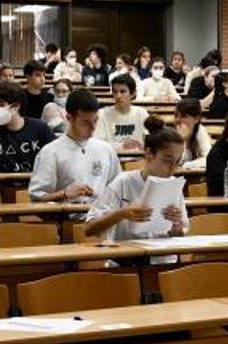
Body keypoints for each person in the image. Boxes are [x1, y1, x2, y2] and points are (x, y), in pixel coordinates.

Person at [84, 116, 189, 246]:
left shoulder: (173, 185)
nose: (172, 168)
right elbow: (89, 229)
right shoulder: (123, 182)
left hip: (164, 258)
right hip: (126, 258)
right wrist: (121, 214)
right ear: (149, 153)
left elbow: (179, 235)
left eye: (177, 162)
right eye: (167, 160)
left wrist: (176, 225)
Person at [29, 89, 120, 206]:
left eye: (95, 120)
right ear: (69, 118)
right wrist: (64, 194)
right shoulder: (50, 152)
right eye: (85, 123)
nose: (92, 127)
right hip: (68, 220)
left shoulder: (106, 149)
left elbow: (118, 190)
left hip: (102, 218)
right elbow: (36, 199)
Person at [96, 74, 150, 151]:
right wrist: (122, 146)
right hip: (112, 159)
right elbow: (98, 144)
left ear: (133, 93)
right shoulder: (102, 114)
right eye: (115, 92)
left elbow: (149, 141)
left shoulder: (141, 113)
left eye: (123, 91)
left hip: (137, 160)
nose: (118, 96)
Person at [175, 98, 213, 165]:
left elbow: (209, 159)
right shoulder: (172, 132)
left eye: (184, 116)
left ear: (196, 119)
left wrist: (188, 165)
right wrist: (181, 140)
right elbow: (174, 162)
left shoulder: (200, 130)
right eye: (176, 116)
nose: (178, 120)